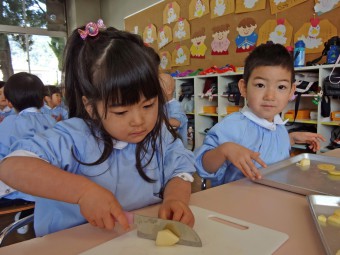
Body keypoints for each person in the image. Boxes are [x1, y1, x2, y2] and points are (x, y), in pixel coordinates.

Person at [0, 22, 196, 237]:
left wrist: (175, 199)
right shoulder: (74, 137)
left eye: (148, 105)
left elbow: (180, 170)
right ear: (91, 107)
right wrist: (83, 192)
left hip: (135, 240)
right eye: (121, 112)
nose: (139, 120)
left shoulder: (159, 135)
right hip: (73, 243)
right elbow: (12, 167)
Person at [195, 43, 326, 187]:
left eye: (281, 87)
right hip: (236, 204)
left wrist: (291, 138)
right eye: (260, 85)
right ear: (244, 88)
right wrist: (224, 150)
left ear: (291, 91)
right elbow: (203, 166)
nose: (270, 96)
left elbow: (267, 149)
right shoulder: (233, 126)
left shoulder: (278, 126)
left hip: (273, 200)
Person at [0, 72, 57, 201]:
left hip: (22, 189)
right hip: (53, 186)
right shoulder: (51, 120)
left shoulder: (9, 123)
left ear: (9, 102)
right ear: (43, 101)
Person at [159, 73, 188, 147]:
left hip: (177, 147)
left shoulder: (175, 105)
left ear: (168, 91)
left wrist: (156, 120)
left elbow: (177, 122)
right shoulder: (161, 104)